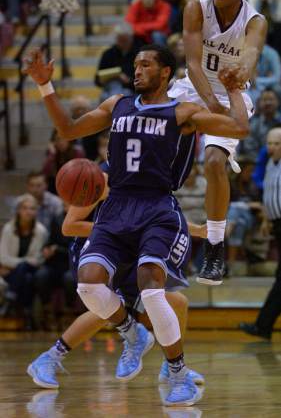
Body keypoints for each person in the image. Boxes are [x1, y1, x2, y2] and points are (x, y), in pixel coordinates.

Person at [23, 44, 249, 406]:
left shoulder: (182, 112)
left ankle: (177, 373)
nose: (138, 70)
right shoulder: (117, 105)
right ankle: (132, 333)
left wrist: (235, 89)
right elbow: (67, 130)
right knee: (89, 285)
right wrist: (45, 87)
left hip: (157, 207)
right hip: (117, 207)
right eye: (135, 65)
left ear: (165, 74)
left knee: (153, 290)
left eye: (146, 64)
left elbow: (239, 128)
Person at [27, 169, 206, 389]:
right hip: (97, 249)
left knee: (177, 303)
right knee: (107, 309)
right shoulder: (100, 178)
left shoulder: (149, 179)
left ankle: (173, 367)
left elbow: (161, 219)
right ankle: (50, 358)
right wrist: (124, 229)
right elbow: (69, 226)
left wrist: (198, 230)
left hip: (128, 249)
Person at [168, 0, 267, 285]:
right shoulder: (198, 7)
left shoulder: (255, 21)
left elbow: (251, 54)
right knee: (146, 133)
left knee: (213, 163)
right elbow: (193, 64)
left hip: (230, 92)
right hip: (192, 89)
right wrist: (210, 103)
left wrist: (241, 73)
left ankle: (214, 247)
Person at [239, 127, 281, 339]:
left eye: (277, 143)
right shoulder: (271, 165)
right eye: (270, 143)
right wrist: (267, 219)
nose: (272, 147)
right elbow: (272, 195)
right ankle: (263, 326)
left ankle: (263, 326)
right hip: (277, 223)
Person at [0, 194, 47, 328]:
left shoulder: (41, 231)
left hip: (27, 269)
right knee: (26, 277)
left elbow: (37, 259)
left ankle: (11, 298)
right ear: (18, 210)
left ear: (36, 212)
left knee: (26, 270)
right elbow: (3, 257)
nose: (28, 211)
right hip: (13, 272)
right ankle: (28, 316)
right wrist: (22, 264)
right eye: (25, 208)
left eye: (32, 208)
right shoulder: (9, 229)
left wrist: (19, 264)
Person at [239, 88, 281, 161]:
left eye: (271, 99)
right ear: (259, 103)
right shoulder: (253, 124)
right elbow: (250, 148)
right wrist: (263, 161)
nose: (268, 103)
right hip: (258, 162)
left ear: (278, 102)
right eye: (264, 100)